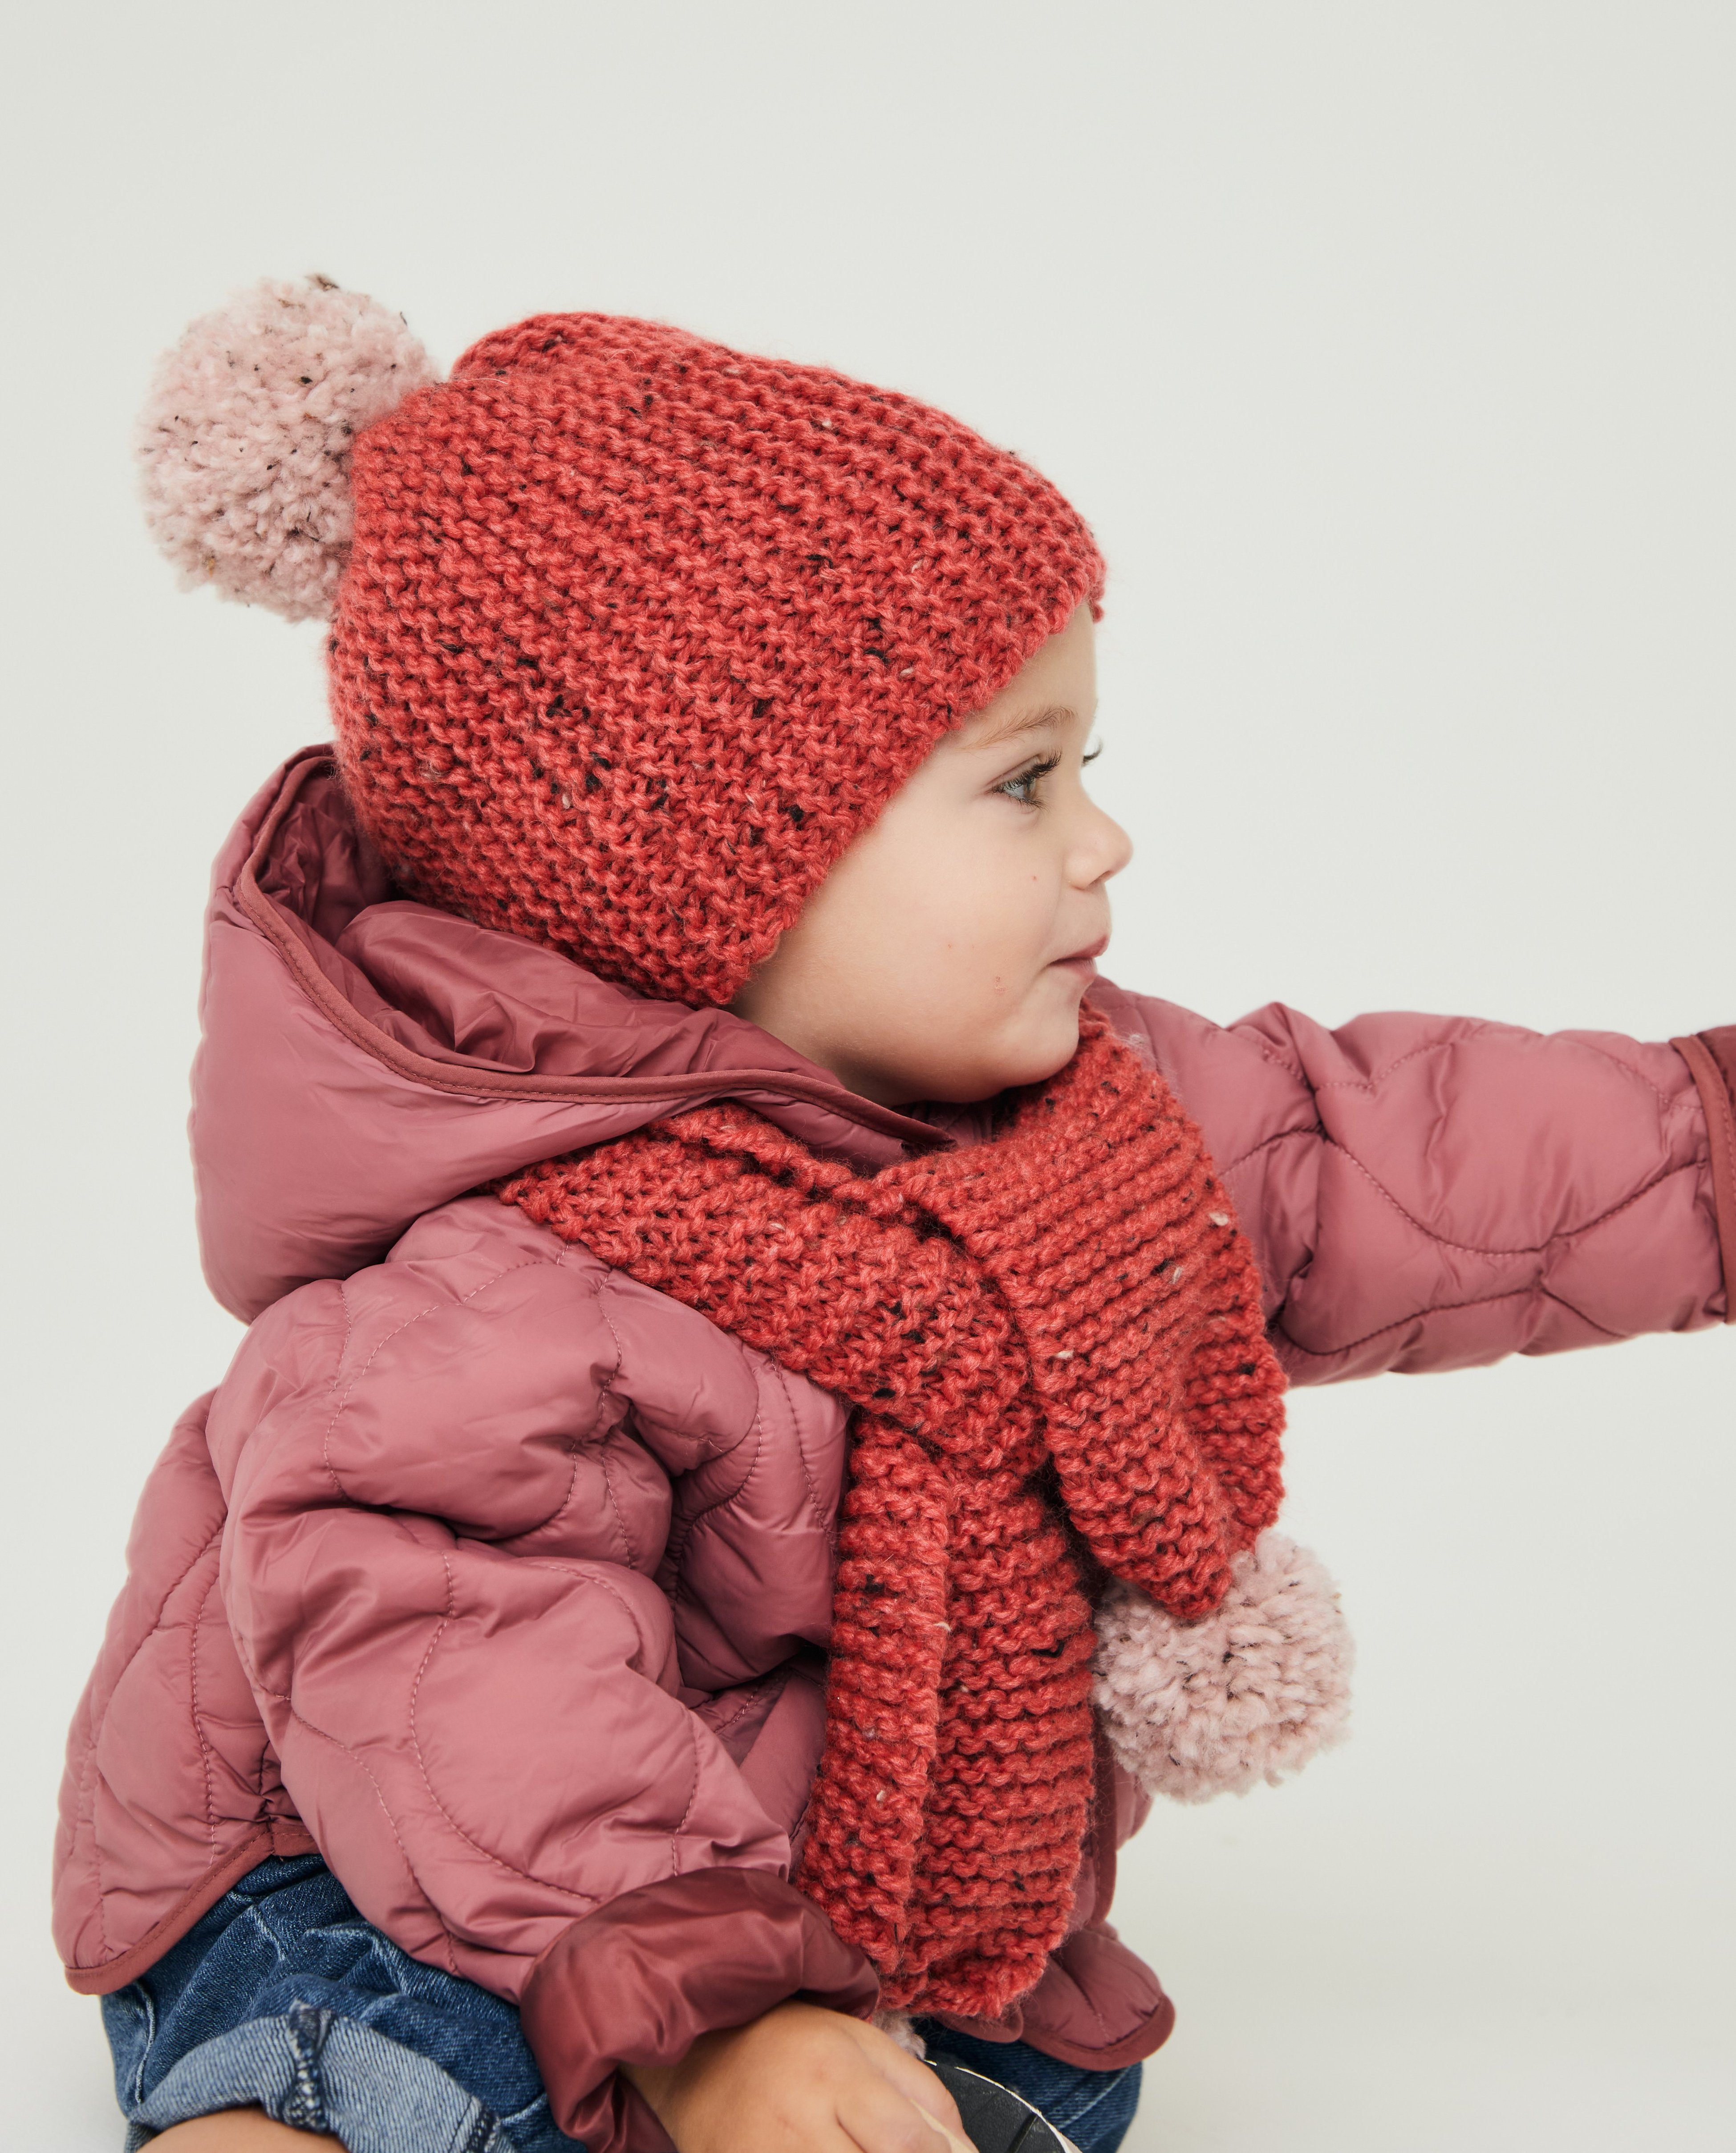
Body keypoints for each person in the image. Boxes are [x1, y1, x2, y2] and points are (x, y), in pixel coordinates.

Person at [55, 280, 1734, 2153]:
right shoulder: (487, 1285)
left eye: (1087, 766)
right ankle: (281, 2112)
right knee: (400, 2050)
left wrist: (1716, 1143)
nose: (1102, 841)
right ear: (707, 868)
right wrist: (714, 2019)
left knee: (1048, 2067)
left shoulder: (1097, 1133)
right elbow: (460, 1672)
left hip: (796, 1886)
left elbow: (1405, 1162)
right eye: (1020, 782)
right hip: (375, 1851)